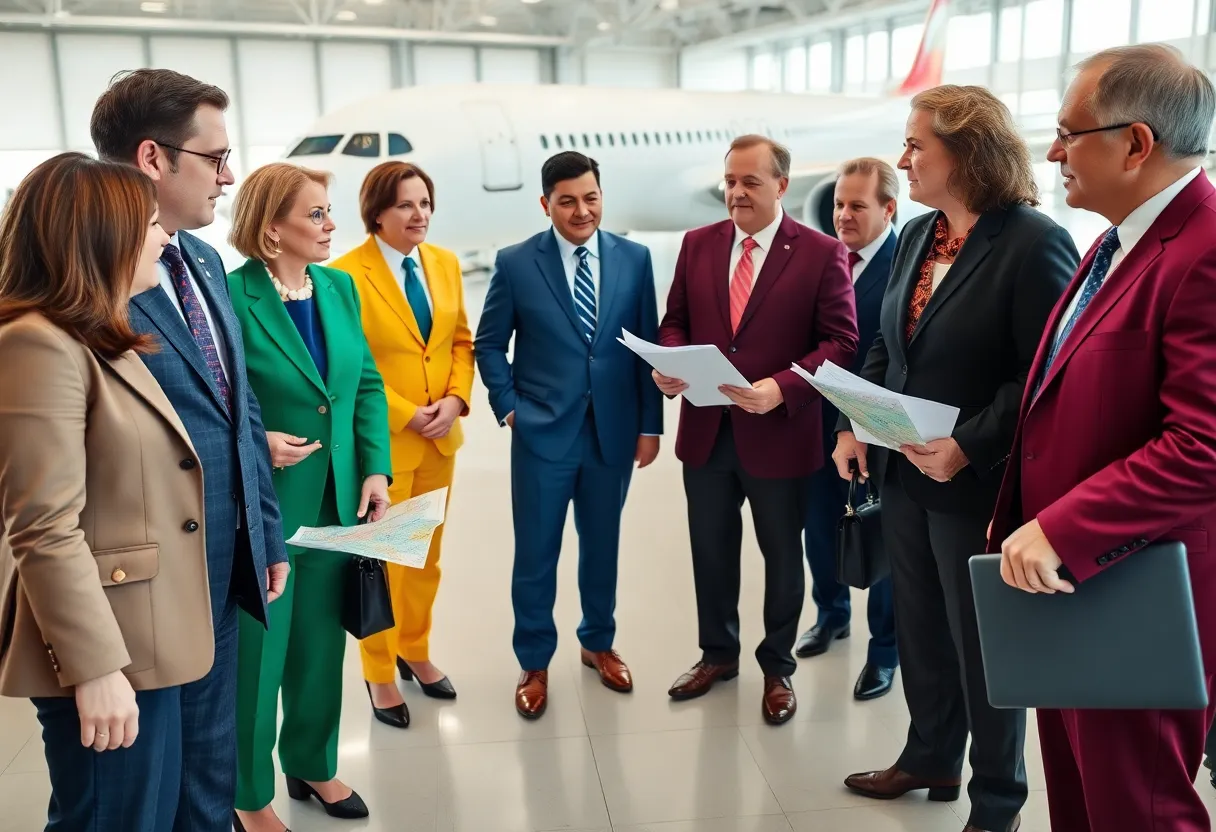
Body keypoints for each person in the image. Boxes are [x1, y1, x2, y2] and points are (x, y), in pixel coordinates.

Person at [831, 86, 1078, 832]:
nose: (902, 159)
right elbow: (886, 345)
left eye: (916, 146)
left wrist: (969, 445)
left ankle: (997, 799)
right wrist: (862, 421)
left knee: (982, 647)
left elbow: (1046, 373)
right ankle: (930, 755)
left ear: (966, 153)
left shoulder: (1034, 243)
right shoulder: (916, 236)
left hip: (979, 487)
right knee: (923, 629)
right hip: (906, 475)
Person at [991, 44, 1216, 832]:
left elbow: (1204, 446)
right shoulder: (1117, 240)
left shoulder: (1204, 250)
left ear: (1135, 143)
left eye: (1067, 132)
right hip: (1071, 584)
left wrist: (1062, 526)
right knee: (1084, 800)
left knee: (1140, 806)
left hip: (1138, 584)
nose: (1051, 153)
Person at [89, 69, 289, 830]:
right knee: (130, 799)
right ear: (152, 159)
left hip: (223, 573)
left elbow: (240, 412)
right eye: (216, 157)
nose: (229, 176)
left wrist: (263, 533)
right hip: (137, 595)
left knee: (208, 783)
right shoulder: (89, 278)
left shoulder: (202, 262)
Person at [0, 154, 203, 829]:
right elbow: (43, 527)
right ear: (102, 238)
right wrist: (95, 670)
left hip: (149, 634)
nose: (164, 237)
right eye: (149, 224)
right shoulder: (37, 345)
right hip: (107, 649)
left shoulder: (100, 335)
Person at [656, 134, 858, 725]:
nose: (737, 193)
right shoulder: (698, 245)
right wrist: (670, 362)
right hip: (707, 434)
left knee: (781, 557)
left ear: (781, 187)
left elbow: (841, 344)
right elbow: (675, 322)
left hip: (781, 434)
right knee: (710, 553)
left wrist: (783, 388)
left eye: (750, 182)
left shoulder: (821, 252)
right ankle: (717, 654)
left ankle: (778, 668)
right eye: (731, 182)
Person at [227, 163, 393, 831]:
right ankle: (248, 792)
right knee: (259, 655)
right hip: (267, 506)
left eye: (328, 212)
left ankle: (313, 762)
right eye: (317, 214)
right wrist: (256, 438)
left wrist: (375, 469)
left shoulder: (340, 288)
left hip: (340, 498)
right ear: (272, 231)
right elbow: (215, 399)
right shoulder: (234, 298)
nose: (332, 226)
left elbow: (367, 385)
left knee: (323, 646)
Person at [475, 151, 663, 719]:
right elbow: (488, 343)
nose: (582, 210)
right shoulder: (515, 263)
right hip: (541, 435)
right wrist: (509, 408)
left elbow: (644, 346)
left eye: (591, 198)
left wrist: (650, 424)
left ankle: (597, 642)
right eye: (567, 201)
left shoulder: (634, 259)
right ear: (546, 204)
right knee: (536, 553)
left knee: (601, 547)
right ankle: (534, 659)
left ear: (601, 196)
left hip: (614, 432)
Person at [329, 161, 473, 720]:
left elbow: (461, 341)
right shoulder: (345, 276)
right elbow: (350, 365)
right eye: (407, 205)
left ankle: (416, 650)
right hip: (385, 442)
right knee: (382, 559)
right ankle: (379, 671)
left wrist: (457, 400)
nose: (421, 215)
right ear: (377, 214)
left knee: (426, 559)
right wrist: (409, 414)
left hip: (441, 439)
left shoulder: (444, 264)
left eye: (426, 203)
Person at [796, 157, 900, 702]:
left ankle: (885, 650)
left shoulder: (907, 263)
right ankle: (831, 615)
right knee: (821, 529)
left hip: (875, 432)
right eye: (838, 204)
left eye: (857, 206)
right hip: (817, 427)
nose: (842, 215)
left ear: (889, 209)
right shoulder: (824, 259)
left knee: (878, 536)